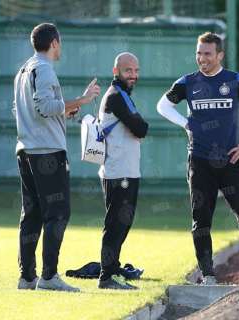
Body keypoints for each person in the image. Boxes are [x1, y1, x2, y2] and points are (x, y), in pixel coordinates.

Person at [156, 32, 239, 285]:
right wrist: (185, 123)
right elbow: (162, 106)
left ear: (220, 55)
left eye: (207, 53)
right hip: (199, 162)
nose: (202, 58)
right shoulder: (187, 82)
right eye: (199, 53)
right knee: (201, 221)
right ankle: (208, 275)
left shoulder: (235, 80)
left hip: (231, 162)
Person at [14, 23, 100, 291]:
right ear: (54, 43)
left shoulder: (23, 70)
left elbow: (25, 109)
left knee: (32, 214)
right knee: (58, 213)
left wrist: (66, 111)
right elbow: (43, 107)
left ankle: (27, 277)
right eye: (59, 43)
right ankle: (49, 277)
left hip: (26, 149)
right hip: (47, 153)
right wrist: (82, 100)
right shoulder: (44, 69)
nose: (60, 48)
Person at [96, 52, 148, 290]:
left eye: (136, 71)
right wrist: (140, 125)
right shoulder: (118, 95)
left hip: (120, 170)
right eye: (129, 70)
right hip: (119, 172)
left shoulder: (121, 94)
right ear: (115, 71)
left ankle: (113, 268)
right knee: (116, 224)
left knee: (121, 223)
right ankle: (107, 277)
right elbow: (140, 127)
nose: (133, 75)